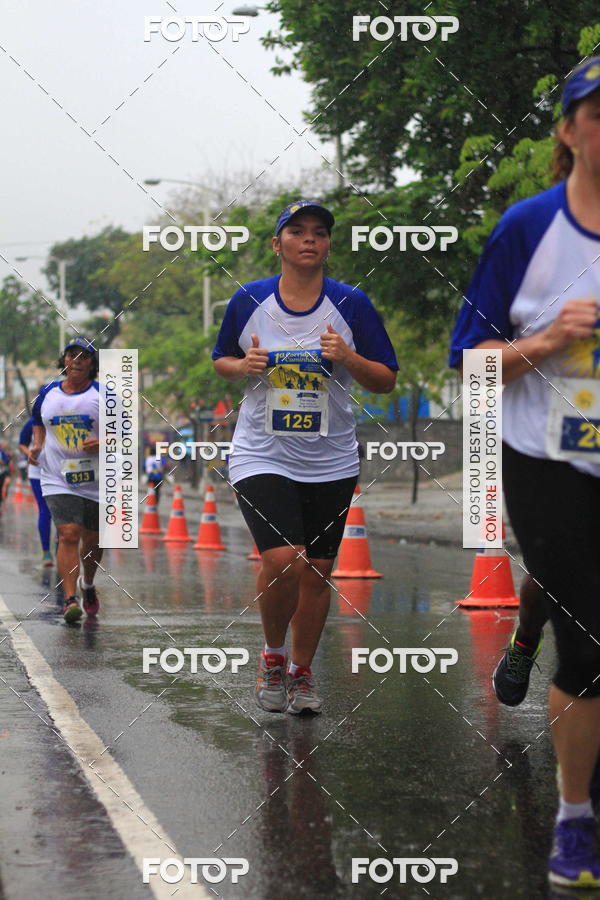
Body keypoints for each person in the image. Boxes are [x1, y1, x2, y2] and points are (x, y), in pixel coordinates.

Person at [450, 58, 600, 888]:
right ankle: (574, 821)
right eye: (598, 113)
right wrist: (546, 342)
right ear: (569, 130)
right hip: (549, 460)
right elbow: (468, 366)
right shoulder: (529, 228)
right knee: (591, 646)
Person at [213, 199, 398, 714]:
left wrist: (348, 357)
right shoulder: (248, 298)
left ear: (328, 245)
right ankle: (272, 657)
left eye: (319, 232)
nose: (309, 239)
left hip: (331, 458)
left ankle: (302, 673)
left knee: (317, 571)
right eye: (296, 231)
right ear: (278, 244)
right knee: (283, 560)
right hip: (261, 450)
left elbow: (385, 379)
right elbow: (220, 359)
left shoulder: (352, 304)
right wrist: (242, 364)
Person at [28, 337, 102, 623]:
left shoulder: (105, 394)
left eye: (84, 356)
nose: (77, 360)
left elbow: (125, 431)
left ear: (91, 364)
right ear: (65, 361)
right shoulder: (47, 392)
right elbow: (38, 421)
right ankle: (70, 599)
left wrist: (106, 440)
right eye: (72, 355)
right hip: (58, 475)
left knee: (94, 541)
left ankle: (88, 585)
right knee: (68, 534)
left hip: (97, 478)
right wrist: (37, 444)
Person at [19, 415, 54, 566]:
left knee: (63, 512)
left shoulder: (60, 416)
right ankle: (46, 552)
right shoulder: (31, 422)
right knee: (45, 511)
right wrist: (29, 453)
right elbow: (22, 444)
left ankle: (63, 544)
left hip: (60, 473)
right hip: (37, 473)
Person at [0, 442, 11, 511]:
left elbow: (7, 461)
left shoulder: (2, 452)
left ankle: (1, 500)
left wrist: (2, 462)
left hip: (2, 473)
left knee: (1, 488)